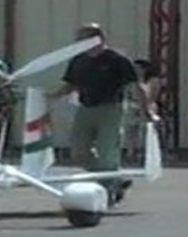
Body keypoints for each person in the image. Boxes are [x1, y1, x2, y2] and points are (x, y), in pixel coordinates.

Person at [47, 23, 160, 204]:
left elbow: (136, 85)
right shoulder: (79, 61)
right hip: (86, 108)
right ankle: (115, 181)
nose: (79, 43)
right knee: (78, 151)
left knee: (108, 152)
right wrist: (51, 97)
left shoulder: (117, 59)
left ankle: (108, 192)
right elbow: (71, 84)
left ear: (97, 38)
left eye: (83, 38)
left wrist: (147, 109)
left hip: (110, 108)